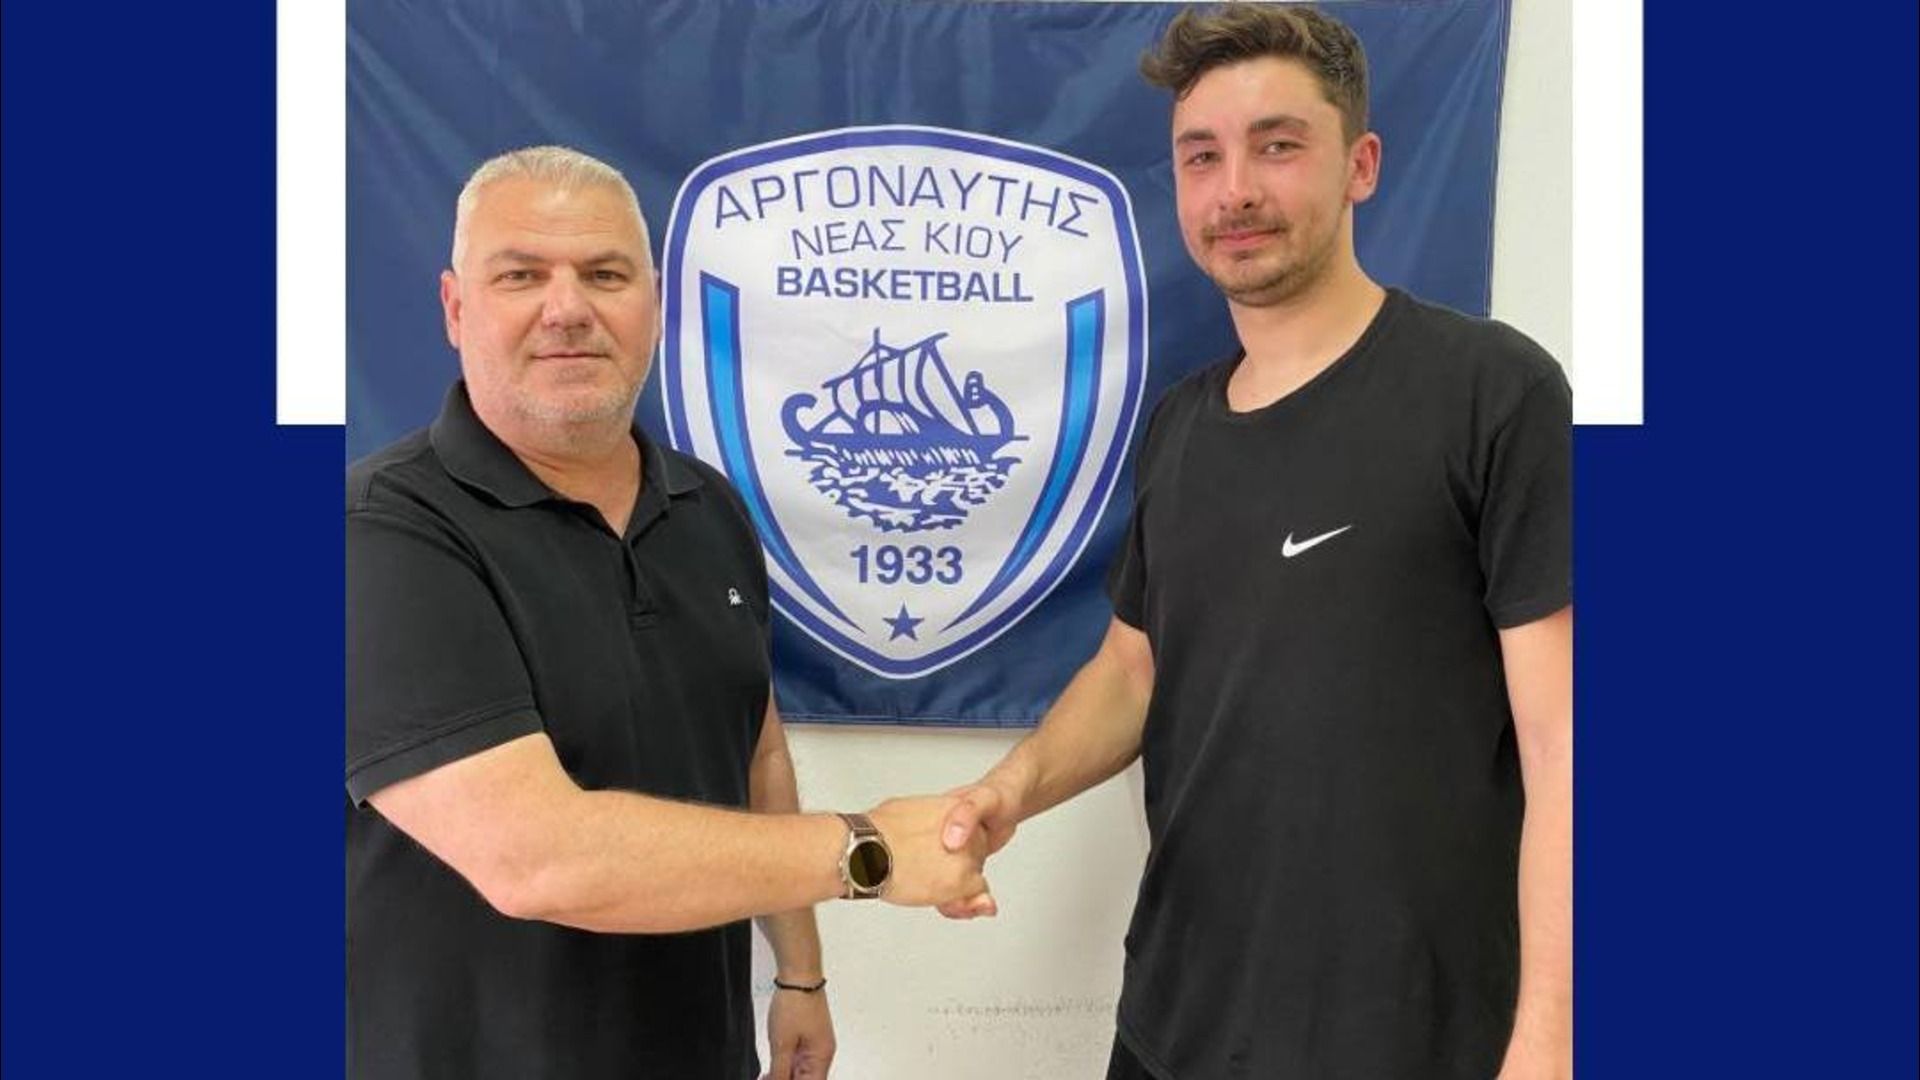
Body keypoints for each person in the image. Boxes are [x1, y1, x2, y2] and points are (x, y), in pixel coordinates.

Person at [939, 6, 1573, 1078]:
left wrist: (1549, 1040)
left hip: (1408, 1040)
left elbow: (1567, 748)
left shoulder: (1496, 394)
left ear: (1361, 165)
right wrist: (1011, 788)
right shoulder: (1180, 426)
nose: (1234, 190)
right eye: (1203, 156)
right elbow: (1133, 669)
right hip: (1175, 1025)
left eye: (1277, 146)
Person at [346, 146, 991, 1080]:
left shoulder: (707, 508)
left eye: (605, 275)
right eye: (521, 275)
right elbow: (535, 858)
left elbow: (755, 751)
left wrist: (800, 973)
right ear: (455, 308)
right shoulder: (378, 532)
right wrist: (870, 850)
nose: (567, 308)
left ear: (653, 303)